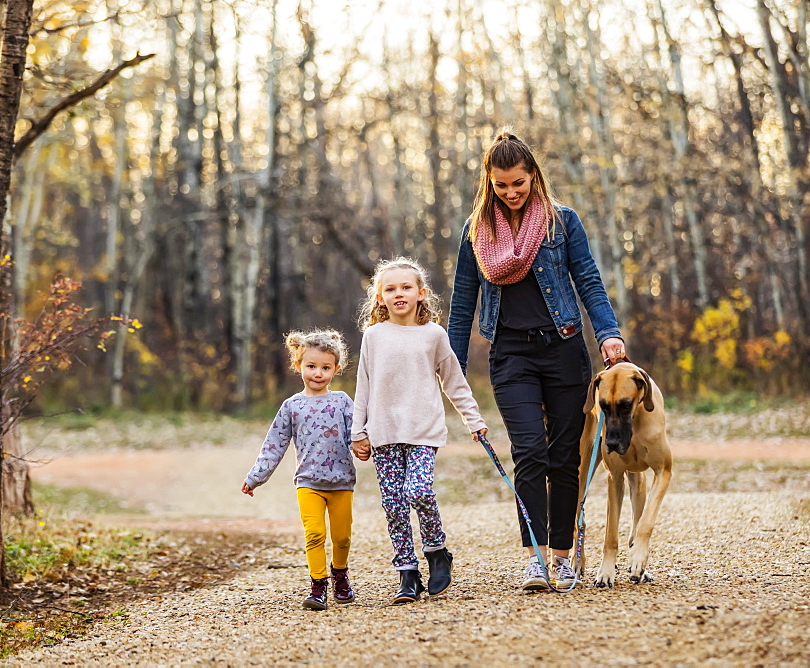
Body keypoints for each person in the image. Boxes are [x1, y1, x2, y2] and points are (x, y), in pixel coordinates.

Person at [447, 130, 626, 591]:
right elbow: (463, 301)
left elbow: (589, 281)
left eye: (519, 183)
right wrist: (451, 364)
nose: (511, 193)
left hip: (564, 349)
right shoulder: (475, 232)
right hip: (510, 354)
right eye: (501, 185)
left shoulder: (561, 223)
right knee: (529, 451)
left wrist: (608, 334)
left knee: (565, 456)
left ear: (533, 176)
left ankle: (563, 557)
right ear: (489, 182)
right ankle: (535, 558)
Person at [351, 257, 488, 604]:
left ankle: (437, 550)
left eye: (406, 287)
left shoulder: (434, 335)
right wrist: (358, 432)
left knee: (420, 491)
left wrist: (474, 419)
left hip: (423, 430)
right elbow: (363, 386)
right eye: (391, 289)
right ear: (379, 297)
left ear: (421, 294)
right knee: (394, 504)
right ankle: (407, 573)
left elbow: (454, 383)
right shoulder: (374, 336)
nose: (399, 294)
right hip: (383, 432)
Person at [241, 330, 356, 611]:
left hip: (341, 481)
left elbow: (358, 435)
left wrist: (368, 449)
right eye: (311, 366)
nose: (318, 373)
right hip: (308, 483)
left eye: (326, 368)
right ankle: (318, 585)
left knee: (342, 537)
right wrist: (256, 477)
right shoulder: (292, 406)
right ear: (298, 366)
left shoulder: (341, 401)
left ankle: (339, 572)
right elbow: (274, 444)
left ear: (336, 370)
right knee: (314, 533)